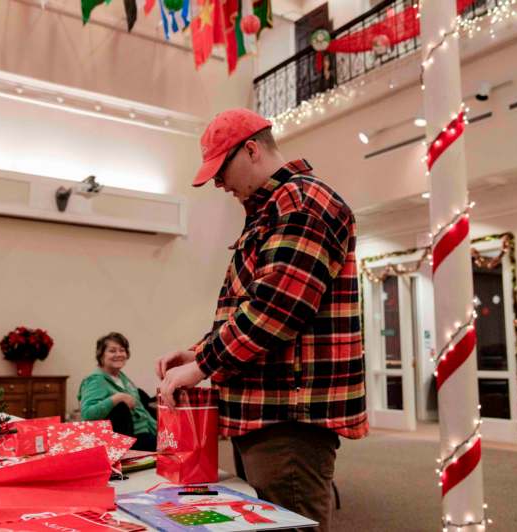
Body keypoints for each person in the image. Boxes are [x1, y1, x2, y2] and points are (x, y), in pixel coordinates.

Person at [155, 108, 368, 532]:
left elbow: (276, 311)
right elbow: (254, 303)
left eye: (220, 170)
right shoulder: (275, 207)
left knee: (290, 526)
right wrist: (198, 352)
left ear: (251, 149)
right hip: (267, 413)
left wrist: (201, 367)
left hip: (287, 417)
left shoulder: (303, 202)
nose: (217, 183)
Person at [78, 332, 157, 451]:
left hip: (144, 433)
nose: (119, 354)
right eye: (112, 351)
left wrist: (161, 432)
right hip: (126, 442)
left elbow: (142, 411)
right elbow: (87, 414)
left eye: (122, 350)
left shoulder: (121, 377)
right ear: (101, 355)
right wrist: (116, 398)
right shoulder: (96, 380)